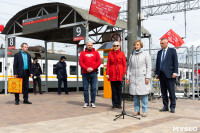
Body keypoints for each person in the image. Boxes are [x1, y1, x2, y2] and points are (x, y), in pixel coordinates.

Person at [127, 40, 152, 117]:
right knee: (135, 95)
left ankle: (144, 111)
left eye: (137, 45)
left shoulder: (145, 54)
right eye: (135, 45)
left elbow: (149, 66)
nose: (135, 46)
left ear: (141, 45)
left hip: (142, 77)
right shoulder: (132, 55)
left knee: (144, 94)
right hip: (134, 77)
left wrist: (147, 77)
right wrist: (128, 76)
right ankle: (136, 110)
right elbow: (129, 67)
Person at [155, 38, 178, 113]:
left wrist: (175, 72)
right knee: (163, 91)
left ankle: (172, 106)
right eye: (160, 43)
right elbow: (158, 63)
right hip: (161, 75)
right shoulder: (159, 52)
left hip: (170, 75)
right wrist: (157, 73)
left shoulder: (172, 51)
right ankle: (165, 106)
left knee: (171, 91)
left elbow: (175, 62)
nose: (161, 45)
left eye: (162, 43)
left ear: (166, 43)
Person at [79, 41, 101, 108]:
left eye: (91, 45)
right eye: (89, 45)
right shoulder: (82, 53)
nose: (90, 46)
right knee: (85, 88)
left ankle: (92, 102)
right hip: (85, 73)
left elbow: (99, 62)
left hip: (93, 73)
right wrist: (86, 68)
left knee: (93, 88)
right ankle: (86, 102)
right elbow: (80, 62)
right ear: (86, 46)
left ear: (92, 46)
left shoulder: (96, 53)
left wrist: (93, 68)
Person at [106, 41, 126, 109]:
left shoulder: (122, 53)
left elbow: (124, 65)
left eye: (117, 46)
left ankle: (119, 104)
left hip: (120, 74)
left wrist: (124, 73)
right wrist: (107, 74)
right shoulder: (110, 54)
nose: (116, 47)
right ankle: (114, 104)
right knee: (113, 90)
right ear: (113, 47)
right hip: (112, 74)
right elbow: (108, 64)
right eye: (114, 46)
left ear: (119, 46)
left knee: (119, 90)